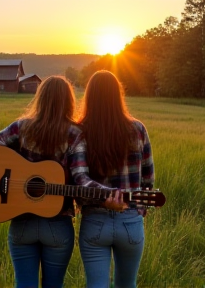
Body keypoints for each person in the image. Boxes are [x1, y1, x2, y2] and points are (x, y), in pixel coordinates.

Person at [0, 75, 123, 288]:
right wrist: (109, 192)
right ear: (69, 102)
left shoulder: (21, 127)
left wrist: (9, 173)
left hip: (21, 224)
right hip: (57, 225)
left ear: (40, 99)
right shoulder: (74, 134)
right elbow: (81, 181)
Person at [76, 70, 155, 288]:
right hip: (130, 221)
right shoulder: (138, 129)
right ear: (117, 95)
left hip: (94, 221)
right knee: (127, 285)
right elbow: (148, 179)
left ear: (90, 97)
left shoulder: (80, 131)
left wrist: (97, 200)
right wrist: (138, 211)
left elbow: (77, 178)